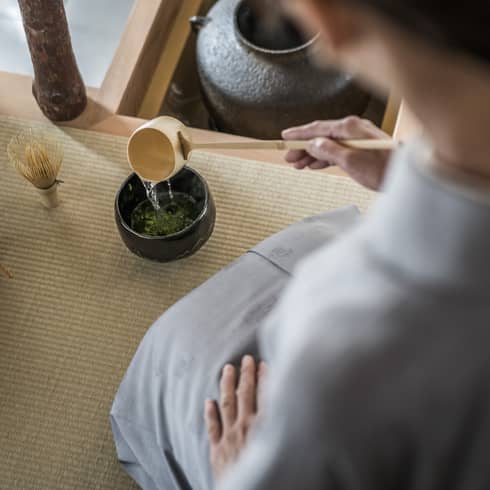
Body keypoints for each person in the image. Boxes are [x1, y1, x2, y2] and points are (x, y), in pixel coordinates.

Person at [111, 0, 490, 488]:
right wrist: (403, 170)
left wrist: (237, 472)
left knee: (171, 360)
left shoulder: (339, 347)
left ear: (327, 20)